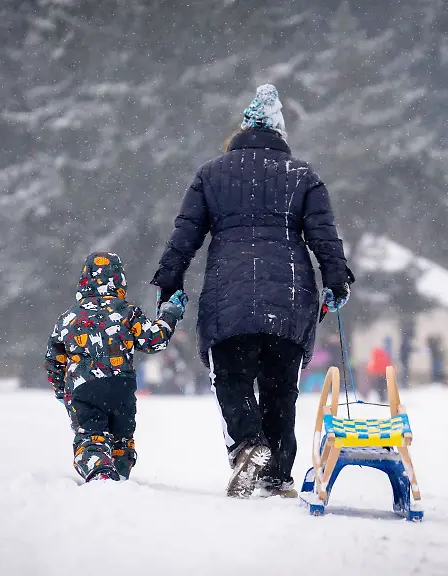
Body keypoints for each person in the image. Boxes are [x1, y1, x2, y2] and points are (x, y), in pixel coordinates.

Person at [150, 84, 354, 499]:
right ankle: (277, 474)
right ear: (280, 135)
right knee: (281, 386)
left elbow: (184, 234)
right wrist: (336, 280)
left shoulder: (211, 174)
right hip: (291, 296)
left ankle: (248, 445)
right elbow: (325, 238)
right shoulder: (303, 175)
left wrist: (170, 280)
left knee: (231, 376)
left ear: (240, 133)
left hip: (230, 293)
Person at [45, 252, 187, 482]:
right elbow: (154, 340)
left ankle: (100, 471)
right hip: (121, 387)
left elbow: (54, 360)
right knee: (121, 438)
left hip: (84, 389)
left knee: (91, 436)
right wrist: (169, 314)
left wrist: (62, 391)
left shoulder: (68, 318)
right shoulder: (127, 312)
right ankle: (119, 473)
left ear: (84, 281)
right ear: (119, 279)